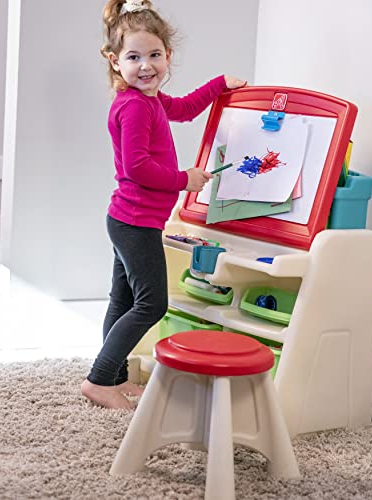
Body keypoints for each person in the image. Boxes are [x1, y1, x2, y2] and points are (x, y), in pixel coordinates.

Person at [81, 0, 247, 409]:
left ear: (168, 56)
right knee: (151, 303)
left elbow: (187, 109)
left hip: (127, 219)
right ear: (115, 62)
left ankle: (113, 379)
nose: (146, 65)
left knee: (122, 301)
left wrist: (220, 84)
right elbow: (138, 168)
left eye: (154, 55)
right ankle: (99, 380)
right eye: (134, 57)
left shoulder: (151, 100)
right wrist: (183, 181)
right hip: (135, 222)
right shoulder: (135, 107)